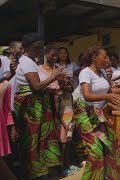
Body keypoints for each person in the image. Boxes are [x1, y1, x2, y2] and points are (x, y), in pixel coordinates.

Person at [14, 33, 65, 179]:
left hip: (34, 104)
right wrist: (53, 76)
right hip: (32, 108)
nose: (40, 51)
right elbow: (36, 86)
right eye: (36, 48)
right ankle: (37, 173)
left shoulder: (28, 61)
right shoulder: (28, 63)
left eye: (41, 48)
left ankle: (38, 172)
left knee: (36, 142)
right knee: (35, 142)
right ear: (26, 48)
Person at [73, 46, 120, 180]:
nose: (106, 59)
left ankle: (107, 176)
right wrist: (107, 98)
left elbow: (108, 92)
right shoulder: (85, 72)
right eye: (104, 57)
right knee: (96, 150)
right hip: (85, 114)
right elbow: (87, 95)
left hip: (99, 114)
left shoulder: (102, 73)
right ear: (94, 57)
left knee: (111, 145)